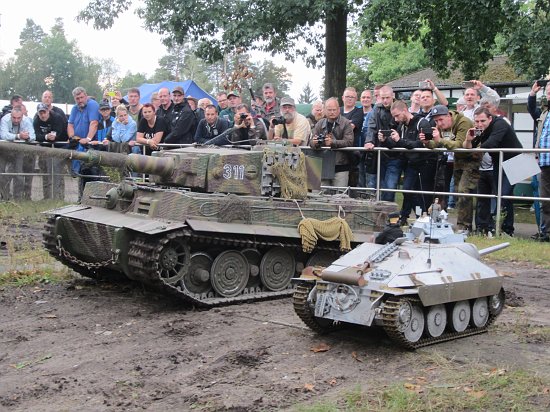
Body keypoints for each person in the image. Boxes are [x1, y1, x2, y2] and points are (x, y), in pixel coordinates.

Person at [465, 106, 523, 236]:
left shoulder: (500, 123)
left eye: (483, 121)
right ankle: (504, 228)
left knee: (504, 195)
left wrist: (476, 151)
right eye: (477, 121)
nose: (480, 124)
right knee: (501, 195)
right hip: (498, 163)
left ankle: (501, 228)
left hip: (516, 162)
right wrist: (468, 139)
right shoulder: (480, 130)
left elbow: (492, 142)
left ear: (490, 118)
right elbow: (470, 147)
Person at [421, 105, 479, 232]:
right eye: (436, 121)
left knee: (464, 191)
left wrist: (440, 140)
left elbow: (459, 144)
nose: (439, 123)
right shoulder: (442, 126)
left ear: (449, 116)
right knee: (459, 192)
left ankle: (465, 226)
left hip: (472, 159)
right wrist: (426, 142)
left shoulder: (463, 122)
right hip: (457, 160)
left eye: (441, 120)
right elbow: (435, 144)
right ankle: (462, 224)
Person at [385, 100, 437, 223]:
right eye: (394, 117)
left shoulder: (422, 122)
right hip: (411, 164)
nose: (396, 119)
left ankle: (421, 217)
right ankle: (413, 216)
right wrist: (384, 140)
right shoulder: (402, 126)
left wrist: (400, 141)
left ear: (404, 110)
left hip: (426, 163)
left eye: (397, 115)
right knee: (408, 191)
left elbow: (420, 144)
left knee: (422, 194)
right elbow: (396, 144)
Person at [364, 85, 401, 201]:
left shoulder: (399, 107)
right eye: (383, 97)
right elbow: (371, 127)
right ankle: (381, 215)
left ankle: (389, 215)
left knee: (390, 187)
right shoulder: (377, 109)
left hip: (395, 153)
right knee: (379, 186)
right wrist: (369, 141)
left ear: (393, 96)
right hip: (380, 153)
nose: (385, 100)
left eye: (387, 98)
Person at [67, 86, 102, 201]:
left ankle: (94, 198)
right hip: (79, 145)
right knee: (81, 173)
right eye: (77, 98)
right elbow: (70, 124)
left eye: (82, 97)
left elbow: (94, 123)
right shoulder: (74, 108)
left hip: (92, 145)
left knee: (92, 173)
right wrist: (72, 137)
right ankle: (81, 198)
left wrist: (88, 138)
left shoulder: (92, 105)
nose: (80, 100)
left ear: (86, 96)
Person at [311, 97, 354, 187]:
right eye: (329, 110)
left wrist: (333, 142)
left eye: (334, 110)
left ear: (339, 109)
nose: (332, 112)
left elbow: (349, 142)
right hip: (322, 165)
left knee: (340, 196)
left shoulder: (346, 123)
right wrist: (314, 143)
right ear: (325, 110)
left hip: (341, 165)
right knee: (320, 196)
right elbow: (311, 142)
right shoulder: (319, 123)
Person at [528, 80, 550, 241]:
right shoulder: (545, 113)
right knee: (545, 200)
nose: (549, 94)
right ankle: (546, 232)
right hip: (544, 162)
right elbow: (532, 110)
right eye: (548, 92)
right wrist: (532, 94)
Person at [0, 107, 36, 200]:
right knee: (2, 173)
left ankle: (17, 199)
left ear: (22, 116)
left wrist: (27, 137)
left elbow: (33, 136)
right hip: (4, 150)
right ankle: (4, 197)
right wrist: (19, 136)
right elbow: (3, 135)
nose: (16, 120)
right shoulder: (5, 119)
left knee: (18, 174)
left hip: (18, 151)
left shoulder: (27, 120)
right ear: (10, 115)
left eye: (18, 118)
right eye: (14, 118)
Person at [33, 103, 67, 199]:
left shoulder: (57, 118)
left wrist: (53, 137)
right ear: (38, 113)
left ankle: (59, 197)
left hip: (58, 148)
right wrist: (46, 137)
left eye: (44, 112)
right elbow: (35, 135)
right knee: (45, 173)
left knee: (58, 174)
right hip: (44, 149)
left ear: (48, 111)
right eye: (41, 113)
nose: (43, 115)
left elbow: (61, 133)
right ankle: (47, 197)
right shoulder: (36, 121)